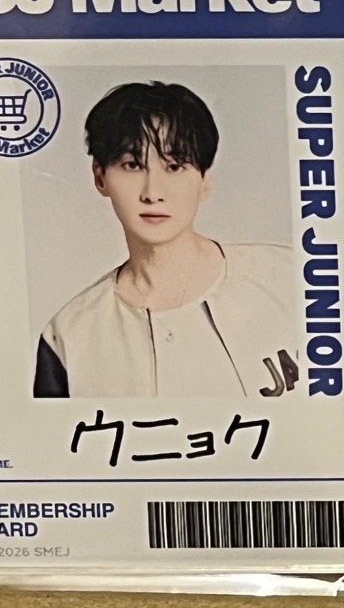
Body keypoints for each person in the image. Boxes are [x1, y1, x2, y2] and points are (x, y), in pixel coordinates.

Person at [34, 81, 300, 399]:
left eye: (174, 166)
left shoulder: (292, 277)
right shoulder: (67, 336)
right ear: (100, 176)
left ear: (205, 179)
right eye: (132, 165)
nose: (153, 193)